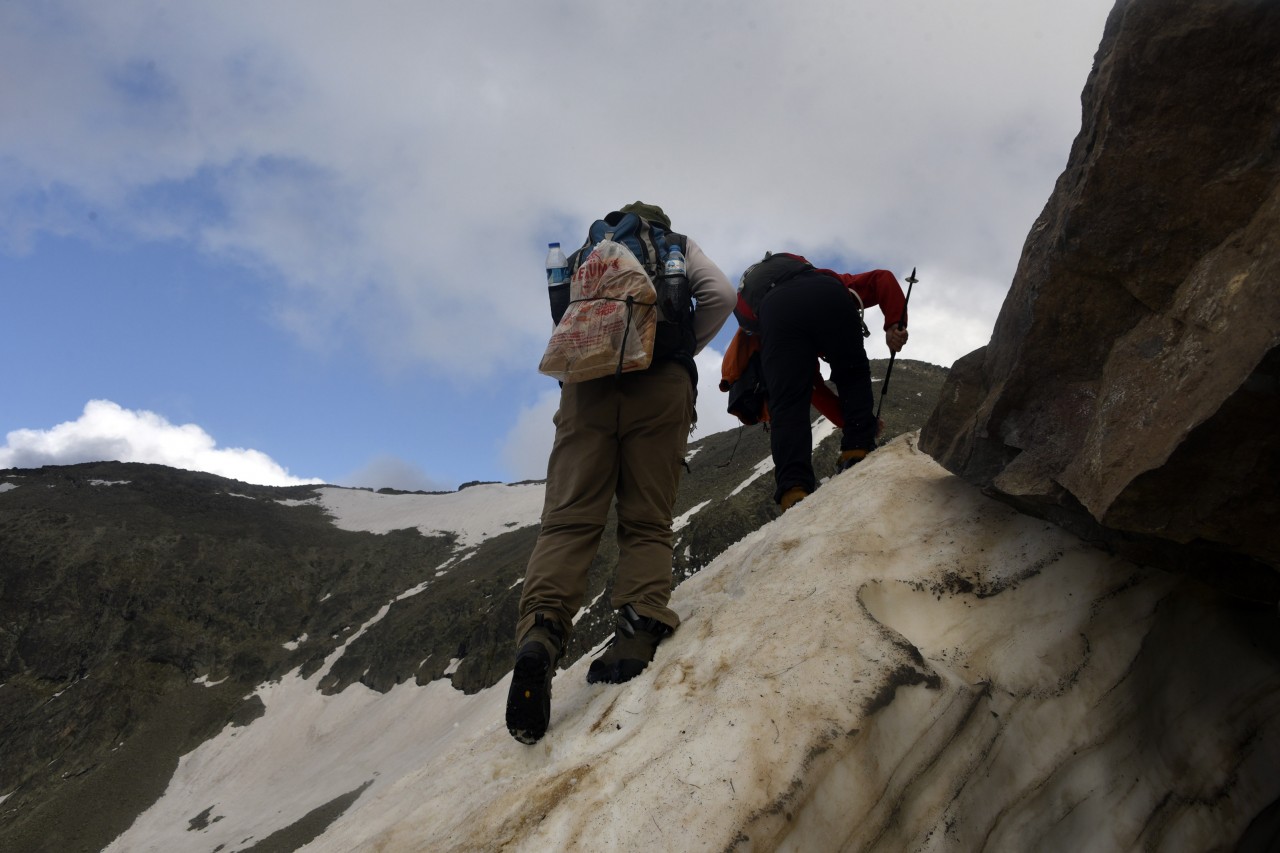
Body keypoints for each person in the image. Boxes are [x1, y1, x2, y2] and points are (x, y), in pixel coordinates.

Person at [506, 202, 735, 745]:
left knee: (567, 521)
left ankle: (540, 632)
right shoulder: (675, 245)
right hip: (660, 385)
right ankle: (635, 632)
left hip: (587, 385)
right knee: (646, 518)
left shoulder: (590, 256)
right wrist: (678, 347)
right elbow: (723, 296)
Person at [722, 254, 908, 512]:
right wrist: (895, 323)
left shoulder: (760, 318)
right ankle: (858, 449)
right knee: (851, 371)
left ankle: (793, 490)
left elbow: (811, 388)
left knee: (787, 403)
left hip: (776, 311)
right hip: (829, 295)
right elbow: (882, 278)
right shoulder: (825, 278)